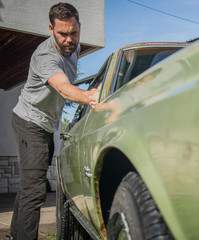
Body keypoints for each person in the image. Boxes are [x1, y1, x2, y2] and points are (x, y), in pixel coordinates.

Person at [9, 2, 98, 240]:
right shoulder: (45, 55)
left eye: (74, 33)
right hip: (29, 122)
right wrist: (92, 97)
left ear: (80, 27)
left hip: (46, 124)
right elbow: (64, 89)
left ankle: (14, 236)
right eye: (62, 34)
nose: (69, 39)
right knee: (35, 190)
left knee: (29, 184)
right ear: (51, 29)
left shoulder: (74, 48)